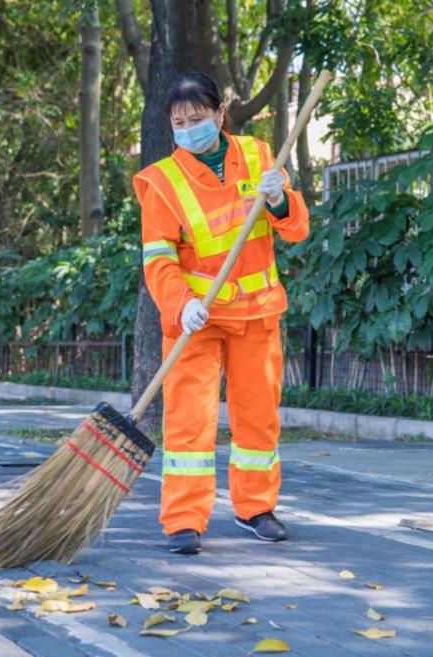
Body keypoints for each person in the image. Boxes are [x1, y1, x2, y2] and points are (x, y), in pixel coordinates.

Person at [132, 72, 310, 554]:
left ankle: (256, 508)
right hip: (197, 318)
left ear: (219, 114)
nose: (189, 128)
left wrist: (279, 200)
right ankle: (184, 520)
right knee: (189, 420)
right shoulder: (162, 182)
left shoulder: (259, 155)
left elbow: (296, 229)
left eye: (197, 118)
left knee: (258, 418)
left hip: (256, 311)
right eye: (179, 123)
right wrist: (181, 303)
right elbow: (158, 259)